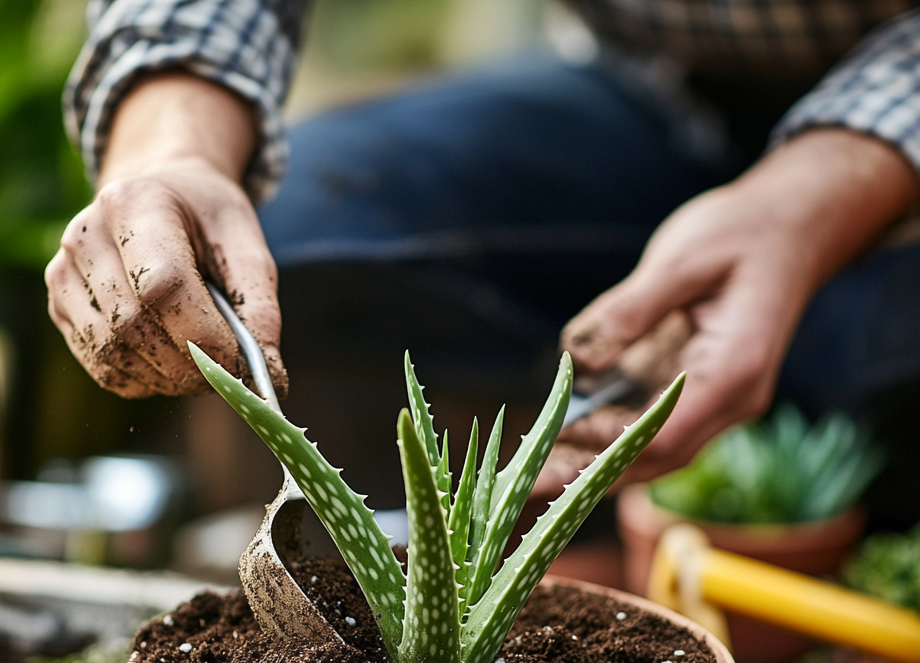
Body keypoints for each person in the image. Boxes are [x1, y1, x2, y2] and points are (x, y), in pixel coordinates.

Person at [46, 1, 920, 518]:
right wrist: (174, 144)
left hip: (892, 134)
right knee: (301, 230)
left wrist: (817, 202)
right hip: (652, 92)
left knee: (874, 360)